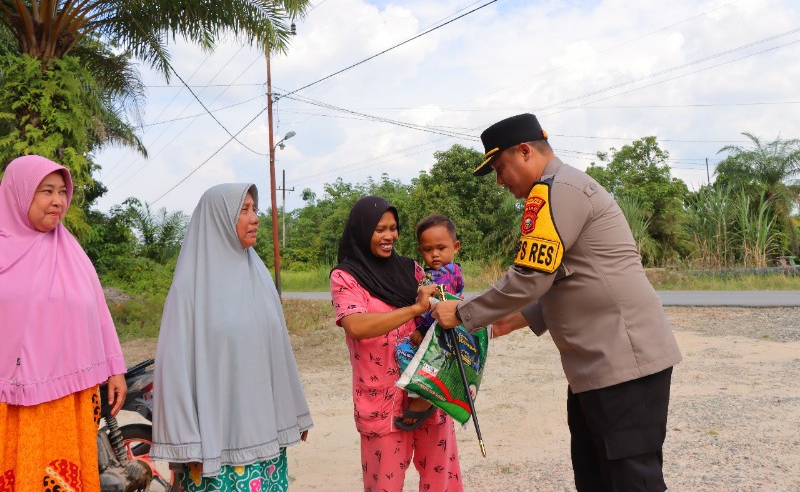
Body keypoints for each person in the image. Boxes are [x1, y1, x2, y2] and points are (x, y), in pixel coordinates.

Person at [433, 113, 683, 492]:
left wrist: (464, 313)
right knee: (596, 475)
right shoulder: (559, 188)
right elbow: (563, 280)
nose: (500, 181)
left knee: (632, 481)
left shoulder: (556, 190)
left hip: (623, 364)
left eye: (501, 168)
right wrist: (499, 322)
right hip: (600, 367)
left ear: (524, 151)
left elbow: (531, 277)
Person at [152, 183, 312, 492]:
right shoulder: (190, 289)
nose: (255, 219)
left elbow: (278, 353)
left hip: (264, 442)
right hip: (214, 447)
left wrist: (293, 414)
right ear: (218, 218)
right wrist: (188, 443)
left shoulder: (259, 276)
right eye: (244, 210)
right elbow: (173, 370)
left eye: (255, 209)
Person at [0, 154, 127, 491]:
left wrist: (115, 369)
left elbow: (97, 314)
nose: (57, 200)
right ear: (19, 193)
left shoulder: (73, 254)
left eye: (61, 191)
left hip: (69, 401)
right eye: (46, 191)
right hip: (11, 404)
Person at [330, 196, 463, 492]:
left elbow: (439, 315)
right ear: (362, 231)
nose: (389, 236)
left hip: (427, 393)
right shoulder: (346, 277)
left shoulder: (412, 269)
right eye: (380, 229)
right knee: (384, 485)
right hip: (383, 403)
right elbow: (355, 325)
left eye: (393, 228)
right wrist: (414, 309)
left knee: (442, 481)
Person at [394, 213, 464, 429]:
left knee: (403, 352)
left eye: (441, 248)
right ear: (420, 251)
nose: (435, 254)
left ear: (455, 246)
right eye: (428, 249)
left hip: (436, 328)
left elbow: (437, 306)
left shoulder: (445, 274)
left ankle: (423, 396)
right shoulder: (442, 271)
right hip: (440, 327)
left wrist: (422, 329)